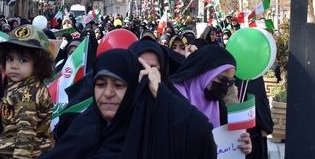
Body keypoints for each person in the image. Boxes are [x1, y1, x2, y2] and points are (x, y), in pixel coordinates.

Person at [43, 48, 218, 159]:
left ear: (134, 89)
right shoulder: (80, 129)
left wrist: (160, 91)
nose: (108, 93)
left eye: (119, 85)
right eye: (101, 84)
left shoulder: (151, 136)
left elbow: (200, 131)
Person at [170, 45, 252, 154]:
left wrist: (242, 146)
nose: (225, 85)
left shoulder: (218, 103)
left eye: (230, 82)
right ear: (205, 71)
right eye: (222, 79)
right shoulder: (174, 96)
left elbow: (229, 145)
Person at [0, 25, 54, 158]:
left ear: (38, 63)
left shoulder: (28, 94)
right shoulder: (22, 85)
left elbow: (25, 134)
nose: (14, 65)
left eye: (23, 60)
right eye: (10, 59)